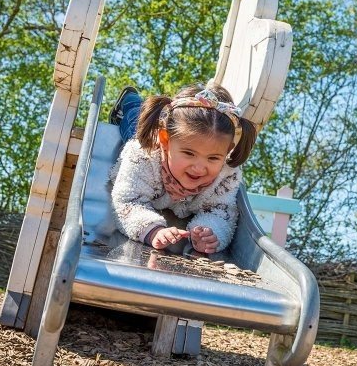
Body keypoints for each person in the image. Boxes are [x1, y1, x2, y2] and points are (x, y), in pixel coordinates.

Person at [108, 82, 257, 254]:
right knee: (136, 123)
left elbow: (221, 212)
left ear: (227, 151)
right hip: (150, 147)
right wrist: (151, 230)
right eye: (189, 153)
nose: (199, 168)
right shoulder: (143, 156)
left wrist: (209, 232)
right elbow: (127, 202)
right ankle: (129, 100)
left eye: (213, 158)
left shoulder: (225, 176)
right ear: (165, 140)